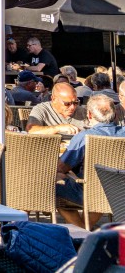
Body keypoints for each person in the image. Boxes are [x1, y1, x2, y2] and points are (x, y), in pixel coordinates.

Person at [57, 94, 125, 228]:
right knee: (98, 184)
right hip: (120, 193)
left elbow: (62, 168)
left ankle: (82, 231)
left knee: (51, 182)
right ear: (115, 115)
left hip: (90, 193)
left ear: (89, 115)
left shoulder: (84, 137)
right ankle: (85, 228)